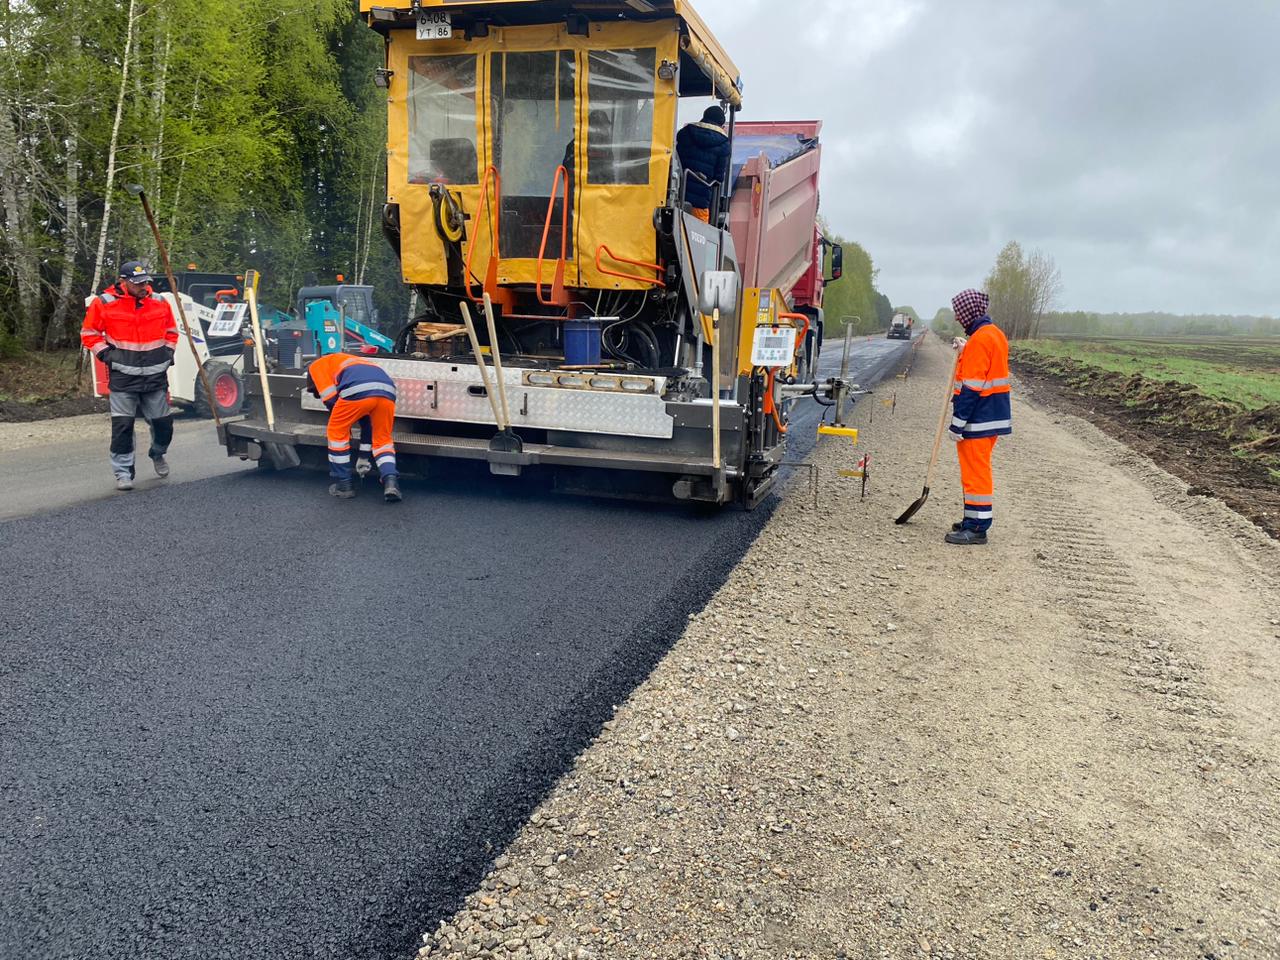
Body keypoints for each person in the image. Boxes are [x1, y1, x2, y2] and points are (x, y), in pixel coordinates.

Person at [80, 260, 179, 491]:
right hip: (123, 377)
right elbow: (89, 333)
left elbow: (172, 332)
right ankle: (123, 472)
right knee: (122, 427)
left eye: (145, 281)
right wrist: (106, 355)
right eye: (137, 283)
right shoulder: (104, 303)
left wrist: (168, 354)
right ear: (123, 282)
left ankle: (158, 453)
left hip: (155, 375)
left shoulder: (160, 302)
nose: (143, 286)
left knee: (164, 424)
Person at [945, 289, 1011, 545]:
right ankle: (971, 519)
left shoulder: (981, 340)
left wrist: (957, 423)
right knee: (975, 470)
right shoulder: (993, 335)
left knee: (976, 473)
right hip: (991, 416)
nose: (957, 317)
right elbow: (987, 367)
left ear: (969, 312)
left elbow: (971, 388)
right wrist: (966, 348)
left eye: (959, 312)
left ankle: (977, 528)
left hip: (979, 417)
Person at [305, 352, 402, 502]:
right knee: (382, 440)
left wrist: (347, 425)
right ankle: (390, 481)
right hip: (387, 390)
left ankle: (344, 485)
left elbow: (331, 401)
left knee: (336, 432)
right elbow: (366, 422)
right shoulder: (346, 361)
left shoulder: (316, 367)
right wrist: (363, 457)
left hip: (356, 389)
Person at [675, 105, 731, 224]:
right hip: (700, 202)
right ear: (721, 124)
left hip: (675, 194)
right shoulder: (724, 144)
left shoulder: (685, 133)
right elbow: (719, 178)